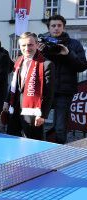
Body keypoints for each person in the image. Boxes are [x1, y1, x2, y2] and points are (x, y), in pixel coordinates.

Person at [39, 15, 87, 144]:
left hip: (64, 91)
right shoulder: (42, 44)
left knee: (60, 127)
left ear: (63, 27)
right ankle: (37, 149)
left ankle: (60, 152)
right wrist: (39, 53)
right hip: (44, 90)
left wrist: (68, 54)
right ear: (48, 28)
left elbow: (82, 66)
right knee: (38, 122)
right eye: (53, 26)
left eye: (59, 25)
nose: (56, 28)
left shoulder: (74, 44)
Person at [3, 32, 55, 140]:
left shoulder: (46, 64)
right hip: (15, 108)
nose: (27, 48)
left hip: (33, 110)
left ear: (36, 44)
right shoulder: (18, 61)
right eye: (23, 45)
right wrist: (6, 101)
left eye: (30, 44)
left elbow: (49, 94)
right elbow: (14, 85)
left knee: (33, 142)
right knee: (12, 139)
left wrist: (43, 115)